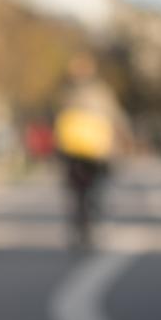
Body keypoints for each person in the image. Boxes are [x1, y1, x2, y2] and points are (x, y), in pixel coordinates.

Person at [54, 53, 129, 250]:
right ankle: (90, 226)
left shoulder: (65, 93)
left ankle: (83, 227)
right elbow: (115, 116)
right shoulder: (99, 92)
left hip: (78, 152)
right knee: (92, 191)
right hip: (92, 152)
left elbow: (57, 121)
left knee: (80, 193)